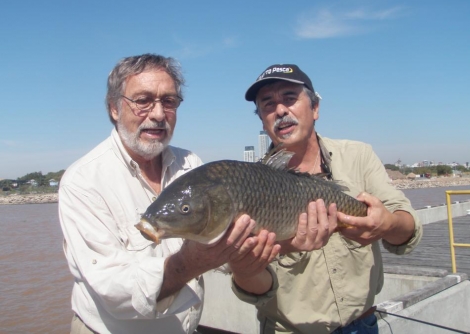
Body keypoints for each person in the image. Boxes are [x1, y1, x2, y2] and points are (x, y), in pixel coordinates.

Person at [58, 54, 280, 334]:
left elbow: (223, 250)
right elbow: (113, 291)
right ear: (114, 108)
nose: (159, 114)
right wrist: (188, 263)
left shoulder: (191, 165)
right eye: (142, 100)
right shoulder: (83, 181)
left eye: (169, 101)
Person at [231, 64, 423, 334]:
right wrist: (269, 253)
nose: (280, 111)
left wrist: (387, 224)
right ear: (262, 119)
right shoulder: (248, 185)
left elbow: (409, 230)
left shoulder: (359, 156)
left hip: (364, 324)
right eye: (268, 105)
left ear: (315, 108)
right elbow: (254, 289)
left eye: (289, 98)